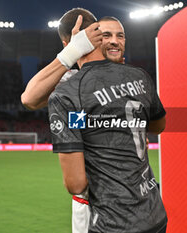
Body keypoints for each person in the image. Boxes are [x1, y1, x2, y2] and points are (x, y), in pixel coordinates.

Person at [48, 8, 167, 233]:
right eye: (107, 35)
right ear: (95, 38)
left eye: (119, 35)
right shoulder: (138, 76)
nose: (114, 41)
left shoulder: (69, 93)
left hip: (110, 221)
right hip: (152, 212)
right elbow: (158, 126)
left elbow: (76, 184)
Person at [21, 13, 129, 233]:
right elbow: (29, 98)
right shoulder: (70, 81)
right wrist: (72, 51)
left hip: (135, 200)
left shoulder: (128, 76)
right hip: (94, 207)